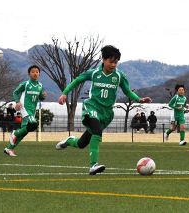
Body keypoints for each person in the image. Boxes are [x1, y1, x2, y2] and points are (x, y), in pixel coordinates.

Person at [56, 45, 152, 175]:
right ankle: (93, 165)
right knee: (96, 131)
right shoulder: (94, 73)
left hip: (106, 113)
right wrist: (64, 93)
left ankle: (69, 141)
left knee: (81, 143)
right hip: (92, 107)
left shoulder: (119, 76)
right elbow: (77, 80)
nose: (113, 65)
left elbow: (128, 91)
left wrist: (139, 99)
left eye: (116, 62)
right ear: (103, 59)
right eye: (111, 61)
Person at [3, 65, 47, 157]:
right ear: (29, 74)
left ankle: (9, 149)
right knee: (33, 124)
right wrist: (17, 102)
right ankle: (15, 133)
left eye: (37, 72)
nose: (35, 73)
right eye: (33, 72)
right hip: (25, 108)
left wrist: (43, 96)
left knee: (24, 133)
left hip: (33, 110)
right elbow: (15, 92)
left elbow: (41, 97)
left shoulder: (40, 86)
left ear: (39, 74)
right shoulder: (25, 84)